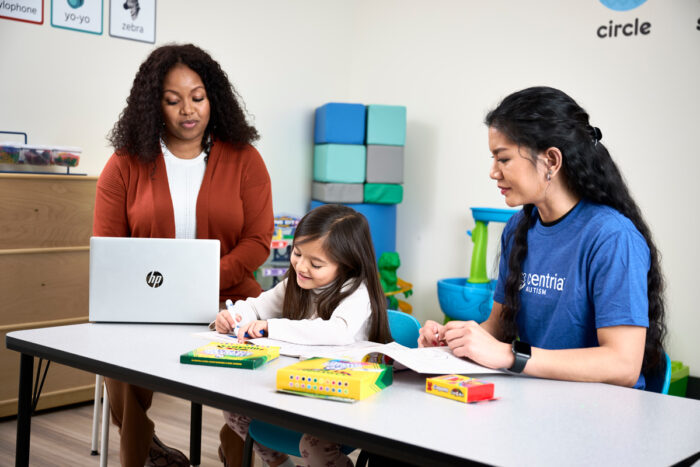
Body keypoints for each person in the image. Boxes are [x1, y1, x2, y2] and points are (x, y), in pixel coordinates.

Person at [93, 43, 273, 467]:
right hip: (147, 304)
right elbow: (109, 247)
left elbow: (258, 239)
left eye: (197, 97)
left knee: (257, 364)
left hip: (232, 300)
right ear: (154, 105)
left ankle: (237, 450)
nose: (187, 110)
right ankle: (144, 451)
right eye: (173, 101)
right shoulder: (124, 164)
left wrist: (207, 277)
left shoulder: (245, 160)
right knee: (115, 357)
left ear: (214, 99)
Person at [419, 86, 666, 389]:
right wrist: (452, 341)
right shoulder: (518, 227)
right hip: (535, 402)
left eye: (504, 159)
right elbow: (496, 330)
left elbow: (622, 364)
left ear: (551, 160)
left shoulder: (613, 238)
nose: (493, 172)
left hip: (600, 417)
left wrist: (511, 356)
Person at [214, 203, 392, 467]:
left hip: (340, 398)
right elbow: (256, 305)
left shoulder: (357, 291)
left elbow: (337, 331)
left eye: (316, 263)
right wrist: (235, 316)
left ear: (346, 265)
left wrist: (270, 326)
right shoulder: (296, 283)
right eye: (297, 253)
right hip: (295, 387)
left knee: (314, 445)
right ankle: (279, 464)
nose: (301, 266)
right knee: (236, 412)